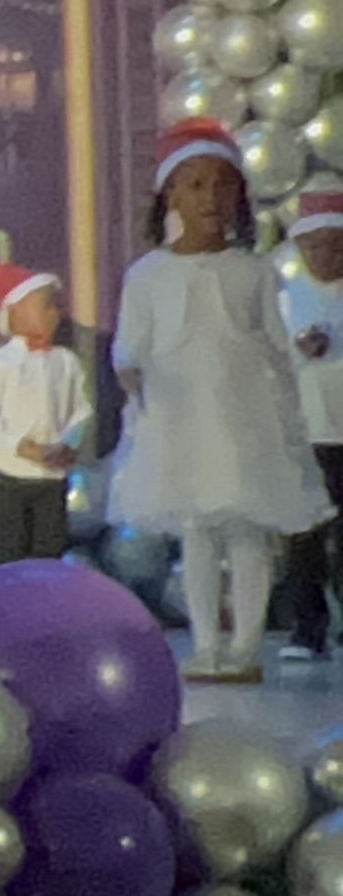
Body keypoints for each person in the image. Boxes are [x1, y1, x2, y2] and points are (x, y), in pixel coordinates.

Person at [110, 115, 327, 685]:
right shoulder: (146, 276)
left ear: (240, 196)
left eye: (223, 184)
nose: (211, 197)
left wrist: (287, 414)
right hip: (182, 423)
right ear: (171, 193)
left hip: (244, 422)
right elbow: (128, 349)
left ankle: (245, 644)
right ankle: (205, 643)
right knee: (198, 532)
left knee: (248, 530)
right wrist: (135, 385)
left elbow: (278, 352)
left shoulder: (253, 273)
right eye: (196, 184)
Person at [0, 263, 91, 565]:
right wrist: (21, 447)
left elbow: (81, 410)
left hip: (52, 479)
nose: (53, 314)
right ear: (15, 312)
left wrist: (68, 444)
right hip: (12, 478)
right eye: (45, 306)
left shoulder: (66, 362)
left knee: (50, 549)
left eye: (54, 307)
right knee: (10, 550)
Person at [279, 178, 343, 664]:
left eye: (334, 245)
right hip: (305, 436)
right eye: (314, 246)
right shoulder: (286, 298)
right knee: (303, 541)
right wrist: (299, 353)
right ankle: (308, 629)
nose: (324, 256)